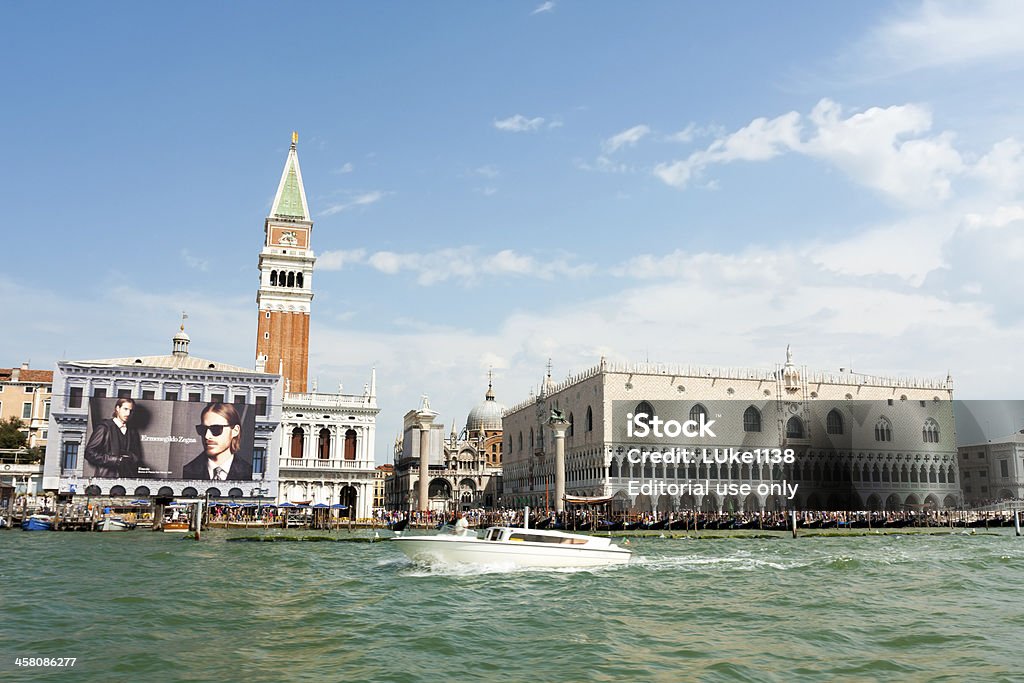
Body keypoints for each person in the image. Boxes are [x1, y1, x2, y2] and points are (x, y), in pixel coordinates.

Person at [183, 402, 252, 480]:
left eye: (216, 429)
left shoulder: (248, 471)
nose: (207, 436)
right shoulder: (186, 472)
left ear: (235, 430)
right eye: (203, 429)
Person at [84, 397, 145, 478]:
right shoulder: (104, 427)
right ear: (117, 408)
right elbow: (89, 453)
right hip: (106, 477)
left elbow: (137, 456)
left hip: (127, 478)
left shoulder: (132, 431)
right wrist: (115, 460)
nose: (128, 413)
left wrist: (130, 458)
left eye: (131, 411)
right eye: (125, 409)